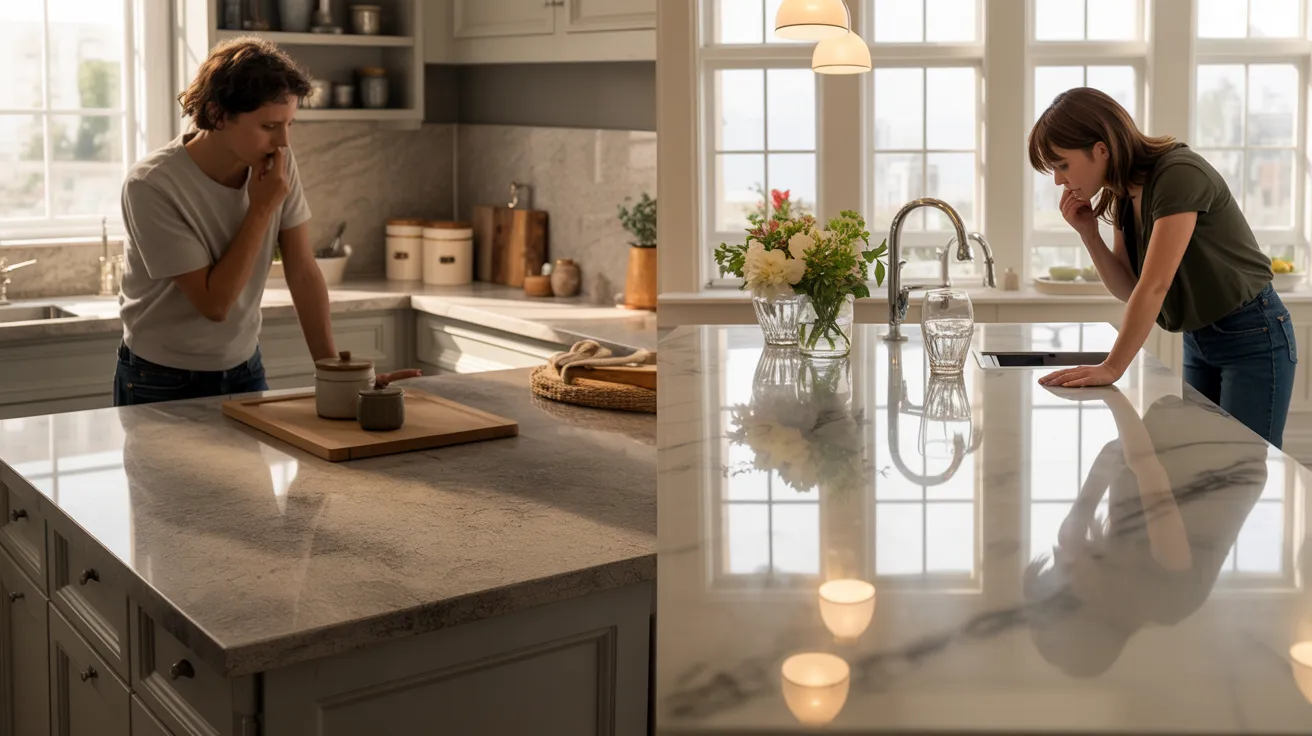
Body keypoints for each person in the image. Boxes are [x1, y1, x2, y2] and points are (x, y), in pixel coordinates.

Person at [114, 37, 418, 406]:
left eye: (289, 124)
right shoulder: (152, 184)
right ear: (217, 114)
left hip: (245, 368)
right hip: (160, 379)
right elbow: (215, 305)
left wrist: (334, 373)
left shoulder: (277, 162)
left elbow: (303, 272)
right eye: (270, 126)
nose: (283, 141)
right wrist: (260, 209)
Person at [1027, 87, 1296, 448]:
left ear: (1100, 149)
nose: (1059, 180)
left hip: (1253, 334)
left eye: (1062, 164)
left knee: (1242, 467)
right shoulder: (1123, 195)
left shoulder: (1177, 175)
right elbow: (1130, 288)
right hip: (1199, 339)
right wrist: (1089, 234)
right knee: (1203, 476)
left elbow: (1155, 286)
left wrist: (1111, 367)